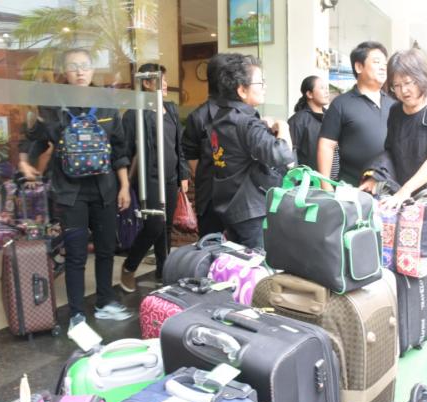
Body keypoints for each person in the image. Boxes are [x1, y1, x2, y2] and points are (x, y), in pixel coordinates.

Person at [19, 48, 132, 332]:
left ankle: (104, 302)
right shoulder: (53, 106)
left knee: (106, 250)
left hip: (105, 189)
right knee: (76, 254)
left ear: (93, 69)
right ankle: (77, 315)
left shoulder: (106, 103)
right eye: (73, 66)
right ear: (64, 72)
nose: (80, 71)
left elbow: (119, 148)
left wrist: (125, 186)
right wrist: (24, 161)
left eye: (84, 65)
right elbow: (35, 139)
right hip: (70, 193)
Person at [360, 48, 427, 334]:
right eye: (396, 85)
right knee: (404, 263)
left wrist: (404, 191)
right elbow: (390, 152)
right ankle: (409, 326)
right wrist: (374, 176)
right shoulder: (395, 112)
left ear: (422, 78)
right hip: (405, 204)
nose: (404, 90)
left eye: (409, 82)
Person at [211, 53, 295, 248]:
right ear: (242, 90)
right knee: (258, 264)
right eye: (260, 82)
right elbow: (282, 155)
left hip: (229, 204)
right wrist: (283, 126)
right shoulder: (247, 122)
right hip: (251, 210)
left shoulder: (222, 116)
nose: (265, 87)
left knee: (239, 262)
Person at [119, 63, 190, 291]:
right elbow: (124, 151)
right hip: (148, 179)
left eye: (165, 79)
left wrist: (183, 174)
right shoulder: (134, 114)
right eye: (161, 80)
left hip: (170, 177)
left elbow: (178, 145)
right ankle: (129, 267)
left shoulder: (170, 109)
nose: (166, 84)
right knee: (154, 226)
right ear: (147, 83)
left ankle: (163, 270)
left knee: (165, 227)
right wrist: (123, 185)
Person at [317, 41, 394, 187]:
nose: (383, 67)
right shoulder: (341, 104)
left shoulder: (394, 105)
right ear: (359, 67)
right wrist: (325, 186)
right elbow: (326, 145)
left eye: (385, 64)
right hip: (352, 188)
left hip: (389, 188)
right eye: (376, 62)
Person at [182, 54, 230, 237]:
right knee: (212, 245)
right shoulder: (199, 117)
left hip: (242, 201)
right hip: (211, 199)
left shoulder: (247, 113)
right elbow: (191, 156)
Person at [287, 75, 335, 177]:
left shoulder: (331, 117)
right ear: (309, 94)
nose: (327, 92)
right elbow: (289, 155)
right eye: (322, 88)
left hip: (335, 180)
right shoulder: (298, 120)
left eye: (327, 88)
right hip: (311, 181)